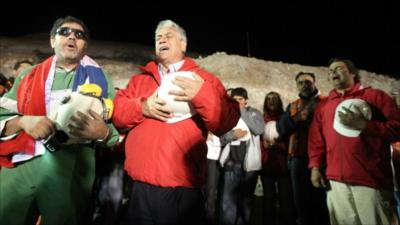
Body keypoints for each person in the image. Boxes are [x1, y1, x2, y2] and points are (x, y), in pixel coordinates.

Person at [112, 19, 240, 225]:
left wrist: (202, 94)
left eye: (168, 36)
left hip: (181, 190)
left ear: (183, 44)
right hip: (138, 187)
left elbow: (226, 121)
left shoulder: (203, 79)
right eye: (157, 38)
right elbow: (117, 114)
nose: (161, 40)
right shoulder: (140, 80)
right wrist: (142, 107)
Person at [0, 16, 119, 225]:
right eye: (64, 32)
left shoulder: (102, 80)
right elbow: (3, 115)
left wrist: (102, 133)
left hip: (72, 170)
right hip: (21, 167)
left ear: (85, 45)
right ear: (52, 41)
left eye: (79, 35)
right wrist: (23, 122)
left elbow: (115, 130)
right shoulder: (27, 75)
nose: (72, 36)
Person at [309, 58, 400, 225]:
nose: (333, 73)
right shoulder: (324, 106)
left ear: (353, 73)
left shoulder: (375, 97)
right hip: (336, 182)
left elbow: (397, 128)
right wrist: (315, 166)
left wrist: (365, 125)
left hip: (371, 180)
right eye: (330, 71)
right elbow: (316, 140)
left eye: (338, 68)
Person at [276, 72, 329, 225]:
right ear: (296, 85)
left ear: (314, 82)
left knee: (321, 201)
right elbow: (281, 129)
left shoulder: (326, 102)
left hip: (322, 159)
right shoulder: (293, 106)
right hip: (298, 158)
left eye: (308, 81)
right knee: (301, 202)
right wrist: (298, 117)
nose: (304, 85)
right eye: (300, 82)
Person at [218, 87, 264, 225]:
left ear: (246, 101)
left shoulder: (254, 113)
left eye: (240, 99)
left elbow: (258, 129)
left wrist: (241, 110)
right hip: (231, 163)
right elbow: (220, 137)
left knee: (246, 201)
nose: (237, 102)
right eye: (234, 99)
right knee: (228, 201)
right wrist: (233, 135)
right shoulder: (227, 115)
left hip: (249, 164)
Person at [260, 91, 295, 225]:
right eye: (268, 99)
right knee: (268, 198)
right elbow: (257, 138)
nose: (271, 101)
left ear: (279, 102)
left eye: (274, 99)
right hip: (267, 165)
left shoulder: (285, 119)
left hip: (283, 166)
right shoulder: (262, 118)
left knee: (285, 198)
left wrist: (278, 144)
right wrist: (262, 144)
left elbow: (291, 140)